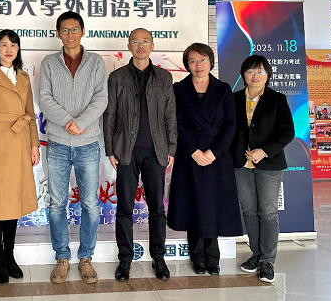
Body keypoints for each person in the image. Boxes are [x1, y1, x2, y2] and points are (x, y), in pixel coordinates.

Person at [39, 12, 108, 284]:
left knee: (90, 204)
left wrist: (80, 123)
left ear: (82, 31)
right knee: (57, 203)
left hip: (88, 143)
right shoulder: (49, 63)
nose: (70, 34)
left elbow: (101, 99)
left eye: (75, 29)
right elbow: (45, 99)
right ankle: (62, 257)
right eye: (65, 30)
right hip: (57, 141)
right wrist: (69, 122)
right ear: (58, 34)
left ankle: (86, 257)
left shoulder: (96, 62)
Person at [104, 28, 177, 282]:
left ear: (152, 45)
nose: (140, 45)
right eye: (135, 41)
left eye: (145, 41)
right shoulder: (117, 77)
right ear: (129, 46)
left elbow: (170, 115)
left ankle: (159, 258)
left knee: (157, 208)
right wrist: (110, 149)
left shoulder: (164, 77)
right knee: (124, 208)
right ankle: (125, 259)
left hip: (156, 151)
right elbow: (110, 114)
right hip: (126, 151)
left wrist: (171, 148)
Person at [167, 43, 242, 276]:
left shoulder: (223, 89)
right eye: (192, 61)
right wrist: (193, 151)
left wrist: (214, 152)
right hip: (189, 154)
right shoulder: (179, 89)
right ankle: (197, 257)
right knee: (193, 205)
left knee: (213, 206)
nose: (198, 65)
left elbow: (231, 124)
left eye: (202, 60)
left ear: (210, 61)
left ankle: (213, 257)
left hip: (216, 156)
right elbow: (176, 124)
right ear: (186, 65)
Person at [0, 29, 40, 285]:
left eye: (13, 45)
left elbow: (30, 113)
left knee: (13, 202)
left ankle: (10, 255)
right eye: (4, 45)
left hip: (20, 144)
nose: (9, 49)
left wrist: (34, 145)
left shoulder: (23, 76)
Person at [231, 55, 295, 283]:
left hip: (268, 164)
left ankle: (267, 261)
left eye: (260, 71)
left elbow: (287, 132)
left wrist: (264, 151)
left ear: (267, 74)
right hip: (241, 164)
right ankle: (256, 255)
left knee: (267, 212)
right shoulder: (234, 98)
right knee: (249, 211)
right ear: (243, 74)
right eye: (250, 71)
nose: (255, 75)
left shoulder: (277, 99)